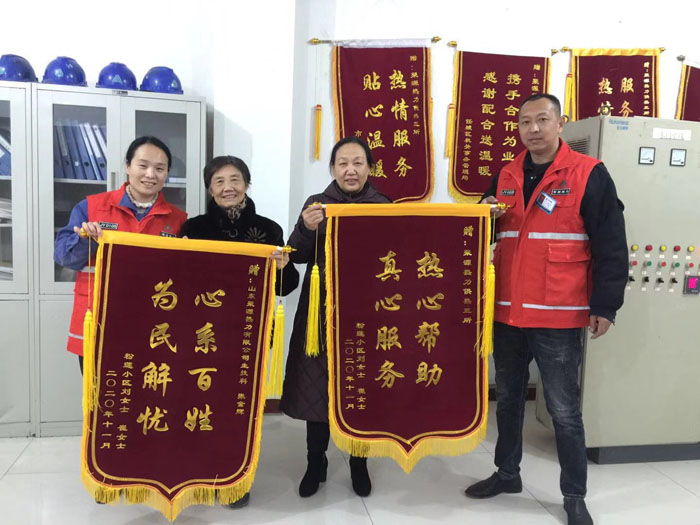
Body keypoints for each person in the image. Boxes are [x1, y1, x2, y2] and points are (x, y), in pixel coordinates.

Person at [464, 94, 627, 525]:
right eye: (525, 122)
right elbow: (480, 232)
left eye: (542, 120)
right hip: (508, 314)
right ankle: (507, 474)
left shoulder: (588, 173)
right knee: (508, 401)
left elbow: (611, 242)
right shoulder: (506, 174)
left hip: (558, 314)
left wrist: (606, 305)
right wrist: (481, 215)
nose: (533, 129)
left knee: (563, 411)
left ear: (560, 123)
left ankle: (574, 494)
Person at [180, 155, 299, 509]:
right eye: (218, 181)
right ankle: (201, 472)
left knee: (241, 408)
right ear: (209, 189)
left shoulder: (268, 228)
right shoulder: (193, 228)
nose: (228, 187)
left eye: (235, 179)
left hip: (249, 333)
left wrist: (283, 266)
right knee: (202, 403)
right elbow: (180, 282)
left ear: (246, 184)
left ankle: (236, 478)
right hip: (203, 334)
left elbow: (286, 286)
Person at [280, 137, 391, 499]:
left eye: (358, 163)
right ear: (332, 169)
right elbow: (296, 255)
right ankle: (316, 462)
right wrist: (306, 229)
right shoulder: (317, 204)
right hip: (320, 313)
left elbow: (398, 253)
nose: (350, 170)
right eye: (343, 163)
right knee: (317, 388)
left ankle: (359, 462)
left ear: (369, 168)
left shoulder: (383, 206)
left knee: (361, 389)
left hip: (367, 313)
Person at [55, 136, 187, 373]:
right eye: (143, 165)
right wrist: (87, 240)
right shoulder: (91, 207)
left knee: (147, 392)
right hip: (100, 320)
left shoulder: (178, 219)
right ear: (128, 166)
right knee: (99, 393)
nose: (150, 174)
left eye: (160, 169)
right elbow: (63, 257)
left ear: (167, 173)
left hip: (154, 325)